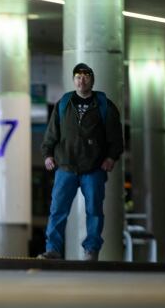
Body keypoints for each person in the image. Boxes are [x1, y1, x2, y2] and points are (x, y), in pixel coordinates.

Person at [38, 63, 124, 261]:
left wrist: (111, 157)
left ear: (92, 80)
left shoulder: (104, 105)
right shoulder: (64, 103)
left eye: (85, 76)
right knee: (57, 210)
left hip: (93, 169)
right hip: (65, 167)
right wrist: (48, 154)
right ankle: (53, 250)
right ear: (73, 80)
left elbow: (116, 136)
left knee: (94, 210)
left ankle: (91, 249)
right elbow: (52, 132)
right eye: (78, 76)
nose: (81, 80)